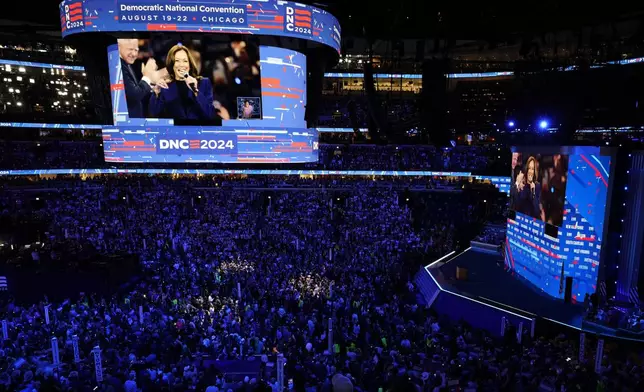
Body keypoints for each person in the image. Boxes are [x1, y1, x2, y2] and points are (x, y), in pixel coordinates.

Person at [149, 44, 216, 123]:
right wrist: (156, 93)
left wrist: (196, 91)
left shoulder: (204, 83)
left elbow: (210, 114)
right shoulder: (165, 86)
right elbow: (153, 114)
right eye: (177, 61)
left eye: (185, 61)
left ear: (189, 65)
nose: (181, 65)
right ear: (172, 65)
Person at [118, 39, 167, 118]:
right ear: (118, 47)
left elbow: (136, 91)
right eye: (130, 49)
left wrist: (153, 87)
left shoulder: (127, 64)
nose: (134, 54)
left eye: (136, 50)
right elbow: (134, 95)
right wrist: (147, 76)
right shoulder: (119, 66)